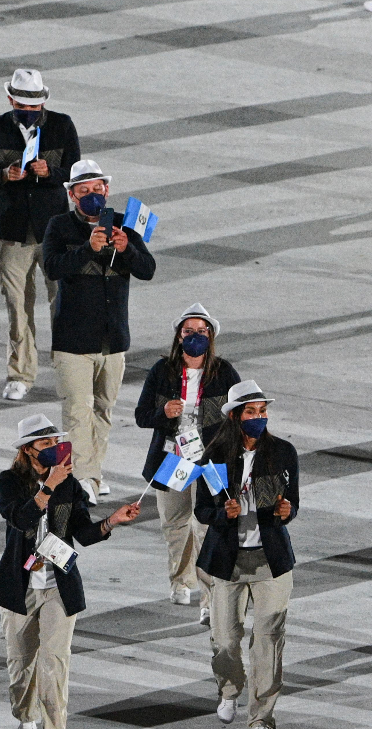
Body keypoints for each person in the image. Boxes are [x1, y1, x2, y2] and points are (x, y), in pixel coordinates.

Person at [0, 414, 140, 729]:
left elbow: (82, 532)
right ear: (28, 449)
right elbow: (21, 519)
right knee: (20, 666)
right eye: (46, 443)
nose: (54, 448)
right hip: (20, 586)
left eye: (56, 441)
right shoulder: (9, 481)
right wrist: (48, 486)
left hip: (59, 584)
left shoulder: (69, 483)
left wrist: (112, 521)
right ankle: (26, 718)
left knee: (54, 664)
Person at [43, 160, 156, 501]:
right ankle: (83, 479)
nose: (92, 195)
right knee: (78, 411)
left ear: (106, 190)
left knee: (103, 411)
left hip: (113, 341)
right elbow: (52, 268)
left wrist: (127, 248)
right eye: (84, 191)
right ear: (72, 194)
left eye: (97, 189)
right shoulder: (59, 226)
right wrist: (86, 249)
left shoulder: (124, 224)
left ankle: (95, 471)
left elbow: (148, 269)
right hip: (73, 342)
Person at [194, 380, 297, 728]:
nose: (259, 418)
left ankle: (261, 718)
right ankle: (229, 691)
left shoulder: (283, 452)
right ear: (236, 416)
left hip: (272, 562)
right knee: (224, 641)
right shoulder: (214, 456)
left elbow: (291, 502)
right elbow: (202, 511)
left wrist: (287, 511)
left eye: (263, 411)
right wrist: (225, 514)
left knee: (268, 643)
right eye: (251, 412)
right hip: (228, 562)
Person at [0, 69, 80, 402]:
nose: (29, 111)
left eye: (35, 106)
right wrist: (5, 174)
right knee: (17, 306)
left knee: (62, 303)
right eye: (22, 104)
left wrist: (53, 172)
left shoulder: (62, 126)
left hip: (55, 232)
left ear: (44, 102)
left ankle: (67, 372)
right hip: (11, 233)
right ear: (11, 99)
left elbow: (76, 173)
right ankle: (21, 373)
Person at [135, 303, 240, 624]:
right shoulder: (161, 370)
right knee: (175, 524)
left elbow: (239, 415)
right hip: (171, 456)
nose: (196, 336)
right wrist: (162, 412)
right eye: (189, 331)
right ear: (179, 337)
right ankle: (180, 581)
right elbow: (141, 416)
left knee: (208, 526)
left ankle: (209, 599)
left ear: (211, 336)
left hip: (211, 461)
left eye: (202, 331)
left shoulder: (224, 372)